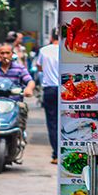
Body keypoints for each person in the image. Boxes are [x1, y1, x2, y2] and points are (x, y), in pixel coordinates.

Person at [36, 29, 61, 163]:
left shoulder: (44, 50)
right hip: (65, 90)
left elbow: (39, 67)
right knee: (66, 121)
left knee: (52, 122)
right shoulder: (66, 50)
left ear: (51, 37)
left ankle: (56, 154)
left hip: (49, 90)